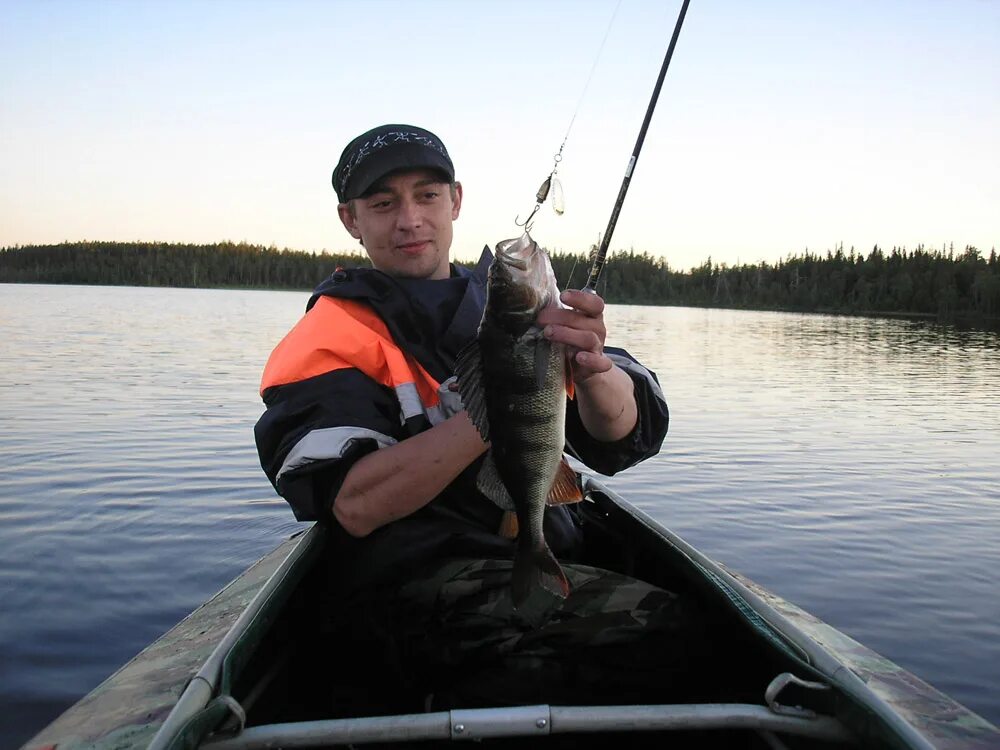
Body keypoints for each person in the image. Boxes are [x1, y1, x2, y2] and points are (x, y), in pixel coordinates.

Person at [254, 124, 703, 715]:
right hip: (412, 583)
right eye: (383, 203)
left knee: (690, 629)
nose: (409, 219)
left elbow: (626, 434)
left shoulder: (511, 304)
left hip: (545, 550)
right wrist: (498, 404)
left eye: (427, 196)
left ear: (456, 201)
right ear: (351, 220)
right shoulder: (329, 337)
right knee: (674, 635)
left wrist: (593, 371)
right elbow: (353, 505)